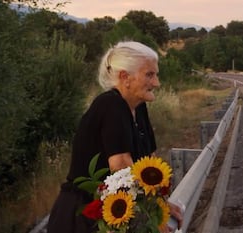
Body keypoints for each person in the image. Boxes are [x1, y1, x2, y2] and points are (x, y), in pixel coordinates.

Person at [47, 41, 183, 233]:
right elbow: (121, 167)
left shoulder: (138, 106)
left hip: (112, 214)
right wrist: (151, 220)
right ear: (125, 77)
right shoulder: (111, 105)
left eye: (156, 74)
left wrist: (161, 205)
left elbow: (150, 163)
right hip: (83, 218)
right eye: (149, 75)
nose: (157, 83)